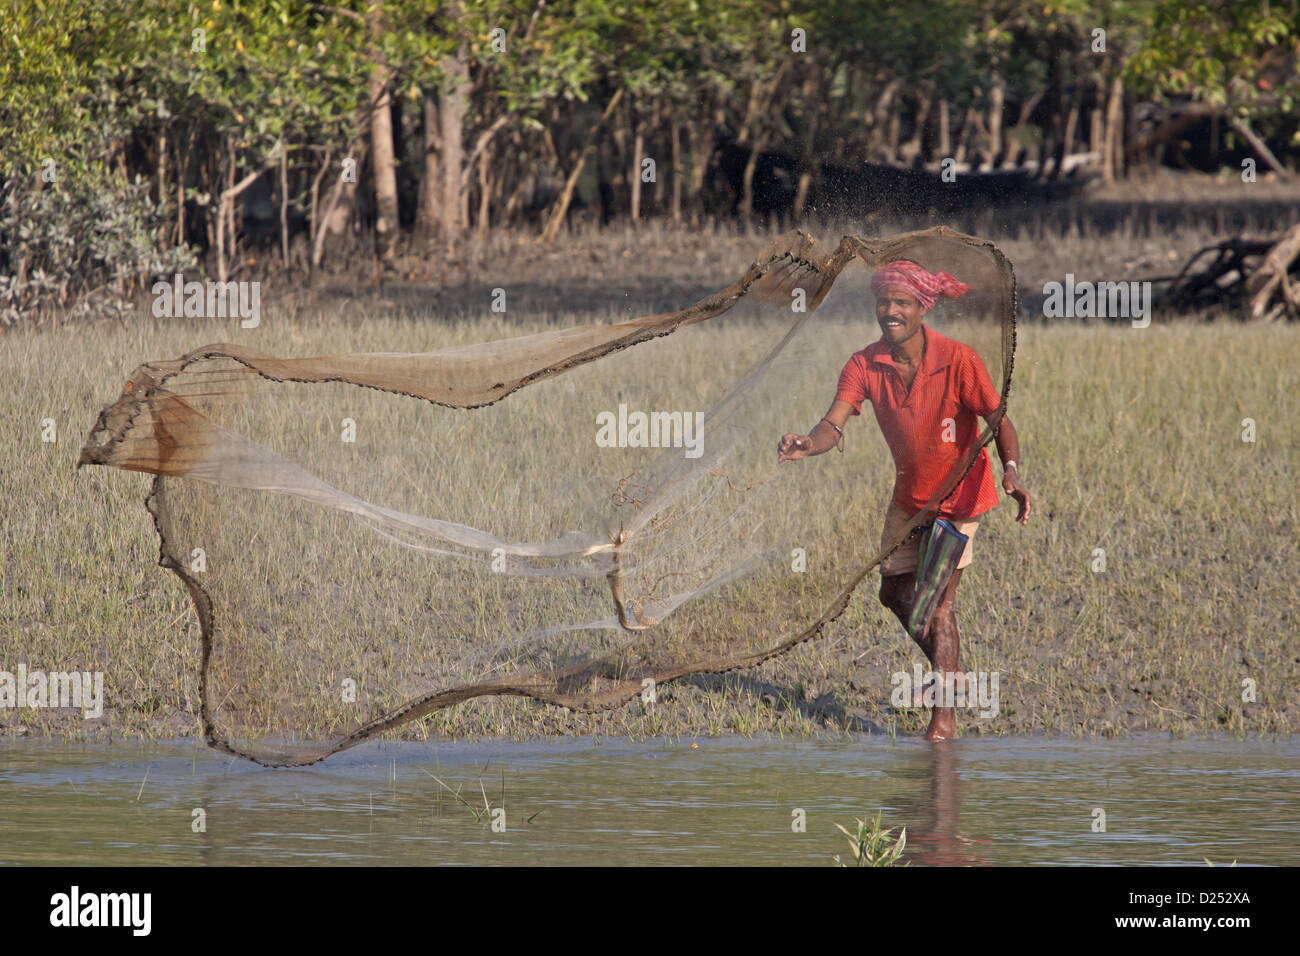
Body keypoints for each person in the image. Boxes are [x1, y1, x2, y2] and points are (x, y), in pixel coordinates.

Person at [776, 259, 1032, 740]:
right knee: (892, 593)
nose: (890, 311)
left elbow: (999, 419)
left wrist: (1011, 473)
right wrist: (808, 443)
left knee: (938, 607)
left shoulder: (958, 359)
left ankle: (944, 721)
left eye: (902, 303)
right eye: (884, 302)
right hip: (909, 499)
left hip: (960, 499)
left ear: (922, 309)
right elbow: (834, 423)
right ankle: (950, 674)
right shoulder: (864, 364)